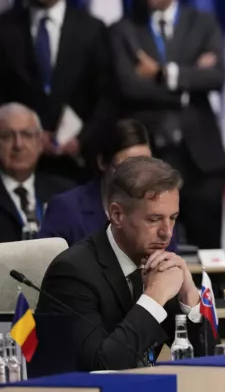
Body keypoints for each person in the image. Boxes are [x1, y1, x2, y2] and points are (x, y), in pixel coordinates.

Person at [32, 156, 212, 374]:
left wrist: (189, 297)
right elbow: (101, 367)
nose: (167, 232)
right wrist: (153, 298)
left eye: (172, 218)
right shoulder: (72, 274)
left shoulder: (160, 266)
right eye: (154, 219)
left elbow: (211, 360)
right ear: (117, 214)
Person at [109, 0, 225, 248]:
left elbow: (216, 76)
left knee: (208, 257)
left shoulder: (202, 23)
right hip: (151, 158)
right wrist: (188, 82)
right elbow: (129, 87)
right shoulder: (124, 30)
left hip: (202, 161)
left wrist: (162, 74)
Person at [0, 0, 116, 184]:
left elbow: (107, 96)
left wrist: (81, 140)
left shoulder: (91, 29)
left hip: (79, 165)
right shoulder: (5, 28)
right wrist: (27, 135)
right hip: (17, 163)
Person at [39, 119, 178, 251]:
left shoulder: (161, 208)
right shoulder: (66, 209)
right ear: (102, 163)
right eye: (128, 168)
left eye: (147, 167)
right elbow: (45, 269)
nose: (139, 178)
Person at [0, 103, 73, 242]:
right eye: (7, 136)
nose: (18, 145)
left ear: (40, 143)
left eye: (27, 135)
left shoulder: (66, 192)